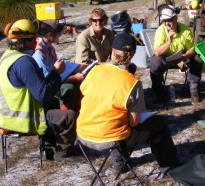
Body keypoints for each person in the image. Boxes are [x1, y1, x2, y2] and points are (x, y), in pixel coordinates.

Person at [77, 32, 181, 174]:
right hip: (109, 137)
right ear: (132, 56)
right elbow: (134, 122)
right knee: (158, 125)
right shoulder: (131, 83)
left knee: (115, 121)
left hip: (83, 133)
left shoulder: (95, 70)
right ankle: (170, 165)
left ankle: (122, 165)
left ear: (112, 52)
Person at [0, 19, 79, 160]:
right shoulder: (23, 62)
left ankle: (49, 148)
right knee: (69, 116)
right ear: (27, 40)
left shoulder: (7, 56)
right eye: (34, 38)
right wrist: (56, 72)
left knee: (53, 102)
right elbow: (43, 94)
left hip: (5, 117)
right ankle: (63, 153)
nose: (37, 42)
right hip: (20, 119)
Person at [150, 5, 203, 103]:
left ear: (175, 18)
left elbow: (191, 48)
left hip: (181, 58)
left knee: (197, 59)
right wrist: (169, 41)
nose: (167, 23)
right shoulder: (161, 30)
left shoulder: (185, 30)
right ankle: (159, 93)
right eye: (165, 20)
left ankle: (194, 90)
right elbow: (157, 52)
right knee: (154, 62)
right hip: (165, 59)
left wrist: (186, 56)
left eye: (170, 20)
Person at [32, 19, 87, 111]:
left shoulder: (50, 47)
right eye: (59, 32)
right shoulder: (39, 54)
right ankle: (65, 113)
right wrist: (74, 78)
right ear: (50, 34)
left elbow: (57, 68)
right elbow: (49, 81)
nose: (61, 34)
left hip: (54, 79)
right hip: (47, 90)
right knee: (70, 87)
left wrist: (77, 67)